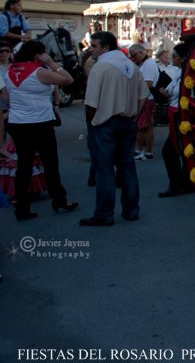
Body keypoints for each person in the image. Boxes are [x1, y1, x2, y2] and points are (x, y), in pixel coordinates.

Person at [80, 31, 148, 226]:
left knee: (105, 170)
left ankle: (104, 214)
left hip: (105, 123)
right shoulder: (132, 66)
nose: (90, 49)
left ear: (105, 48)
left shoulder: (101, 67)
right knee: (127, 167)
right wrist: (135, 115)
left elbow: (90, 103)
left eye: (94, 46)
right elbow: (143, 95)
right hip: (127, 121)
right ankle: (131, 210)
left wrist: (92, 124)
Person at [4, 40, 76, 221]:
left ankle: (22, 208)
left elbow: (8, 97)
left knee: (24, 165)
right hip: (40, 122)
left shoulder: (11, 70)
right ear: (38, 55)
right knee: (50, 163)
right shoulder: (40, 72)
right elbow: (68, 79)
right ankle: (59, 199)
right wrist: (52, 63)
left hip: (18, 122)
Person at [159, 43, 192, 197]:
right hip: (176, 114)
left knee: (170, 151)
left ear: (183, 58)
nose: (172, 58)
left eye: (175, 56)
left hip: (181, 116)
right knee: (181, 150)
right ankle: (186, 182)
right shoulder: (180, 72)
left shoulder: (188, 74)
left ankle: (177, 184)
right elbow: (173, 90)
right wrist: (166, 93)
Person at [129, 44, 158, 161]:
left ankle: (145, 151)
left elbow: (149, 83)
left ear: (141, 53)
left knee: (144, 127)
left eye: (134, 55)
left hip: (146, 99)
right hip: (145, 98)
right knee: (143, 126)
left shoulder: (148, 64)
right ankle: (142, 150)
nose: (133, 58)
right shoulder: (145, 64)